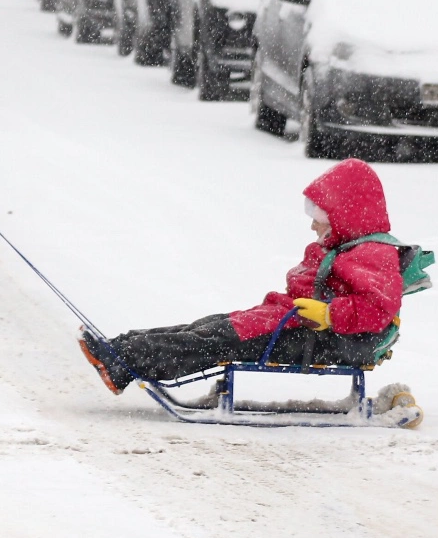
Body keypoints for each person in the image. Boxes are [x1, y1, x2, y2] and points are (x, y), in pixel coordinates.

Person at [79, 158, 403, 392]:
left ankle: (124, 360)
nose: (313, 223)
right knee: (209, 327)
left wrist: (330, 314)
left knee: (215, 340)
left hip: (321, 340)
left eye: (319, 214)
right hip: (293, 324)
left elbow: (378, 310)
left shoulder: (372, 253)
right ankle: (120, 350)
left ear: (345, 213)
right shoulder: (348, 246)